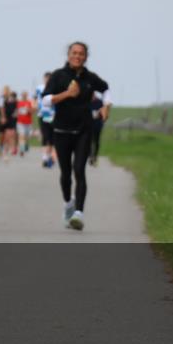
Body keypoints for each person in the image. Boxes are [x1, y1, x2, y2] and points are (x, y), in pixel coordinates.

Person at [41, 42, 110, 231]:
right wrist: (67, 94)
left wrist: (106, 106)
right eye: (74, 53)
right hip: (61, 131)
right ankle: (68, 204)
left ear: (86, 57)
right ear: (68, 55)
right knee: (66, 174)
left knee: (79, 169)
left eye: (81, 53)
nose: (78, 56)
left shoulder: (90, 77)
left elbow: (105, 89)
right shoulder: (58, 75)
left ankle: (79, 213)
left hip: (83, 130)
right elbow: (46, 100)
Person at [35, 72, 56, 168]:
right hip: (43, 115)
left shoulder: (55, 88)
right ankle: (44, 158)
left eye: (49, 78)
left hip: (53, 115)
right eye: (46, 78)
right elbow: (37, 100)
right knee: (45, 136)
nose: (47, 80)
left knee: (52, 138)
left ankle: (50, 157)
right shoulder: (39, 88)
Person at [89, 90, 112, 165]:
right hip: (89, 125)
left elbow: (104, 113)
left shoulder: (100, 102)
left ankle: (95, 156)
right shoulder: (88, 102)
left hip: (98, 125)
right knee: (89, 141)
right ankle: (90, 156)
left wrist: (100, 114)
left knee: (96, 141)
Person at [0, 88, 18, 158]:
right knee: (5, 135)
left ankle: (12, 148)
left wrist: (16, 113)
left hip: (12, 119)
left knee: (12, 134)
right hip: (5, 119)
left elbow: (17, 108)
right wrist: (3, 117)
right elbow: (1, 108)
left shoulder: (14, 101)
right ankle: (4, 148)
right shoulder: (2, 100)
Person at [15, 90, 34, 156]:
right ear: (21, 96)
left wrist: (29, 110)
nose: (24, 96)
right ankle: (22, 150)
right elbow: (16, 112)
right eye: (23, 95)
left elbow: (32, 112)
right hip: (20, 122)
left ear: (27, 96)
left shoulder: (29, 102)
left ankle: (26, 144)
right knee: (21, 136)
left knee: (26, 136)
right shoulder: (19, 103)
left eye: (25, 95)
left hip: (28, 122)